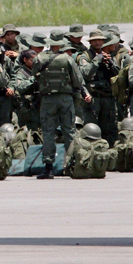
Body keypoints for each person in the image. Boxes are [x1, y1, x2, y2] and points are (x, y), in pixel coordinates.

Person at [31, 31, 87, 179]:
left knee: (48, 131)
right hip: (65, 99)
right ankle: (71, 165)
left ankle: (48, 168)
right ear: (61, 43)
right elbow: (77, 80)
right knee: (69, 131)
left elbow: (35, 76)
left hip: (47, 99)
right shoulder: (67, 59)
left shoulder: (39, 58)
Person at [78, 30, 120, 146]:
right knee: (91, 128)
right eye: (95, 40)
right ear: (90, 42)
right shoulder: (85, 56)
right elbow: (85, 73)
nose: (97, 42)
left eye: (100, 40)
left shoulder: (108, 55)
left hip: (107, 97)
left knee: (108, 128)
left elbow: (117, 74)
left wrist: (110, 63)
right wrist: (97, 60)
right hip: (93, 98)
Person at [11, 49, 39, 131]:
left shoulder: (37, 69)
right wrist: (33, 79)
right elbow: (20, 87)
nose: (34, 62)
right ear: (25, 60)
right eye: (31, 60)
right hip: (28, 107)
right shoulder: (21, 72)